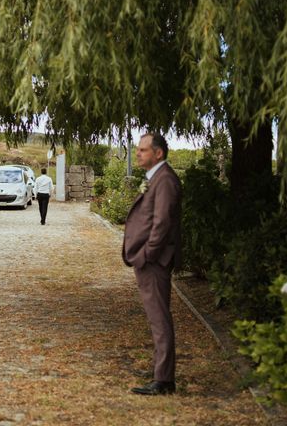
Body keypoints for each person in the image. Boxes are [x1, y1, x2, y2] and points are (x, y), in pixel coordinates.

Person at [123, 132, 182, 395]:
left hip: (154, 262)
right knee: (156, 317)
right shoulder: (156, 178)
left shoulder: (165, 180)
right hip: (150, 260)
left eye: (143, 150)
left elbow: (162, 223)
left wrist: (148, 254)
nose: (138, 153)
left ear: (158, 153)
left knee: (159, 319)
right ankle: (162, 375)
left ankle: (164, 380)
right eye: (138, 149)